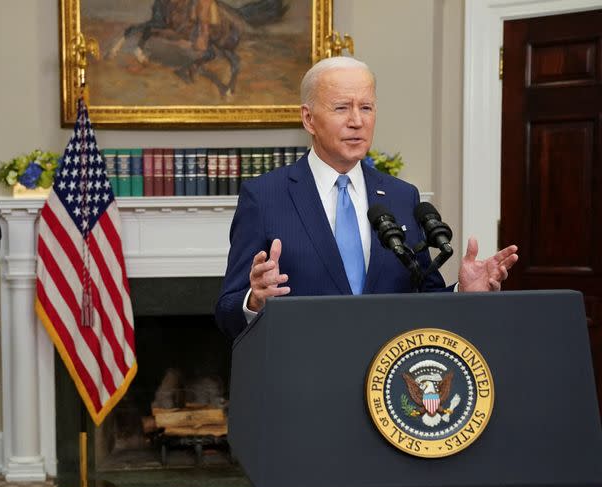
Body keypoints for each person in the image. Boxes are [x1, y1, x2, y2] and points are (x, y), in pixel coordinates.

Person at [215, 57, 518, 339]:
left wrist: (463, 293)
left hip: (389, 380)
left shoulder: (402, 197)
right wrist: (254, 300)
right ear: (308, 119)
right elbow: (227, 311)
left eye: (367, 108)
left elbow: (425, 297)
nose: (357, 121)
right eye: (342, 108)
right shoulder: (264, 197)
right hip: (304, 380)